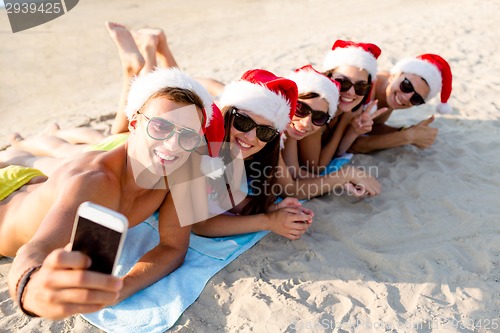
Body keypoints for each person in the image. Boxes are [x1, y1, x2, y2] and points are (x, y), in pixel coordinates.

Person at [2, 67, 222, 319]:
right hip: (4, 205)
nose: (173, 144)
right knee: (59, 162)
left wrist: (121, 288)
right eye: (161, 127)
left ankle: (24, 151)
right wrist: (31, 291)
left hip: (35, 185)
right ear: (134, 124)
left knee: (57, 160)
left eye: (187, 135)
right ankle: (16, 152)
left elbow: (173, 247)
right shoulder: (91, 181)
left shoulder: (181, 170)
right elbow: (34, 250)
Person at [298, 40, 388, 173]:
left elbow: (339, 151)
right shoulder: (315, 111)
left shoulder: (351, 109)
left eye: (361, 86)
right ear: (327, 78)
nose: (351, 92)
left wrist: (354, 131)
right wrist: (345, 121)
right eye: (342, 82)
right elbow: (316, 167)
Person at [349, 53, 453, 153]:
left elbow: (375, 126)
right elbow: (352, 145)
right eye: (406, 86)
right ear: (394, 75)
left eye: (416, 99)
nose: (406, 97)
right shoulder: (364, 88)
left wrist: (406, 130)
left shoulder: (390, 92)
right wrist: (407, 137)